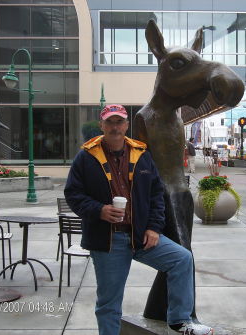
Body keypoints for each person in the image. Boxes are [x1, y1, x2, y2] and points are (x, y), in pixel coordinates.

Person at [64, 104, 213, 335]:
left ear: (126, 125)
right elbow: (73, 194)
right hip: (109, 241)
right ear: (102, 125)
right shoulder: (86, 157)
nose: (115, 127)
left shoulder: (141, 154)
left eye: (119, 122)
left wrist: (154, 228)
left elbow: (156, 194)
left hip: (141, 236)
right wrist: (98, 210)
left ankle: (179, 321)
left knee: (182, 259)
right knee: (109, 304)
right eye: (110, 122)